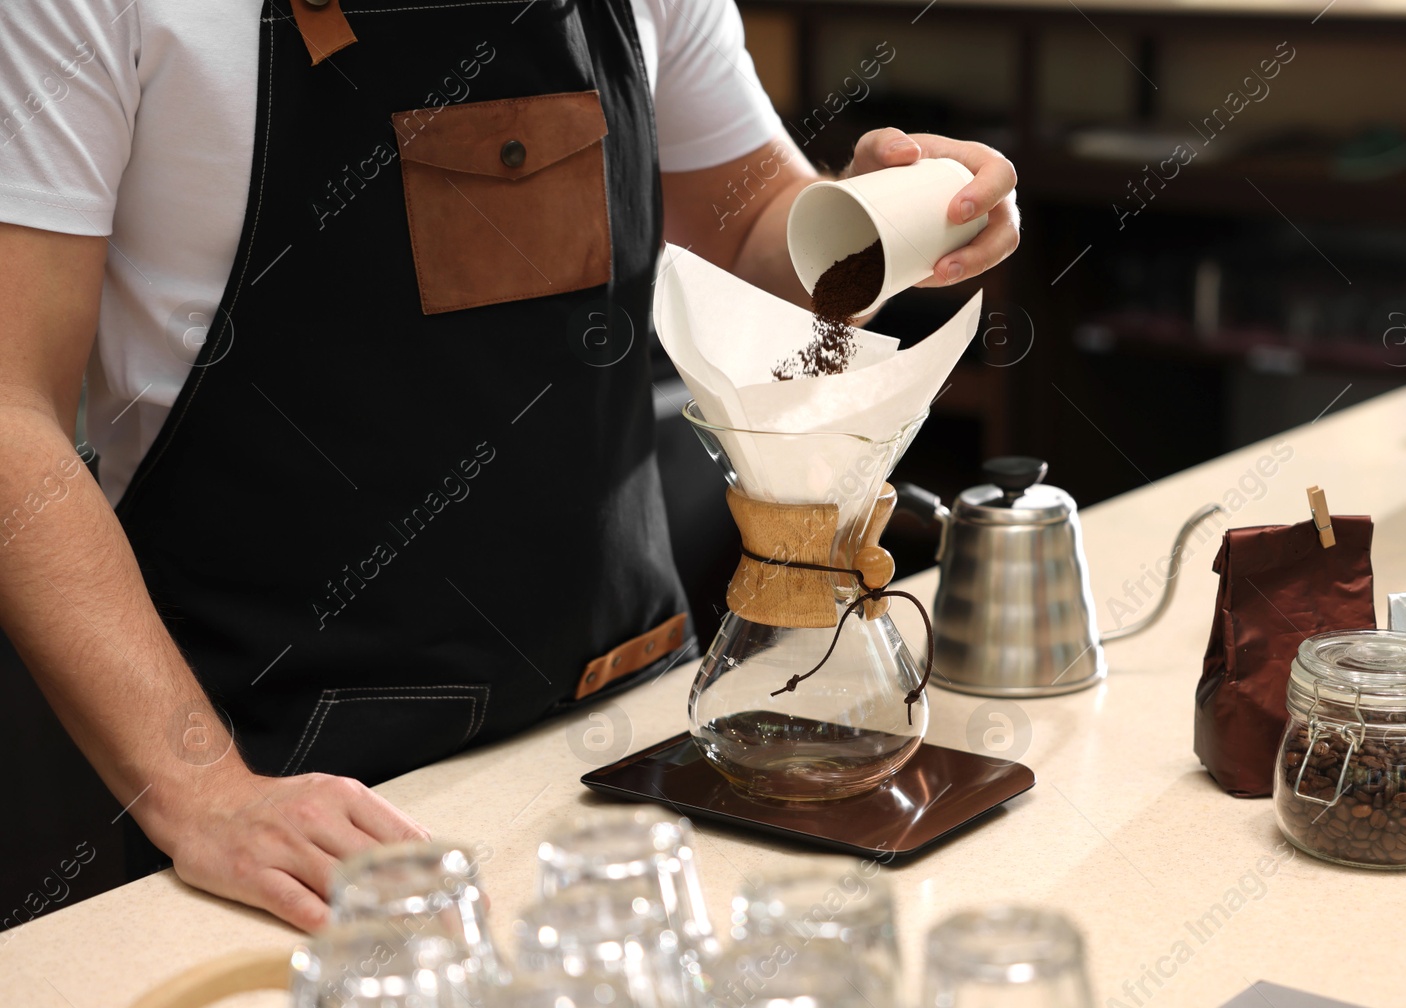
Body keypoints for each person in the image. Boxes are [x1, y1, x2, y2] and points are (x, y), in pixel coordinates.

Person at [0, 0, 1019, 931]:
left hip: (625, 747)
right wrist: (204, 791)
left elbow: (754, 226)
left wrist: (880, 219)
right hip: (286, 800)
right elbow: (10, 409)